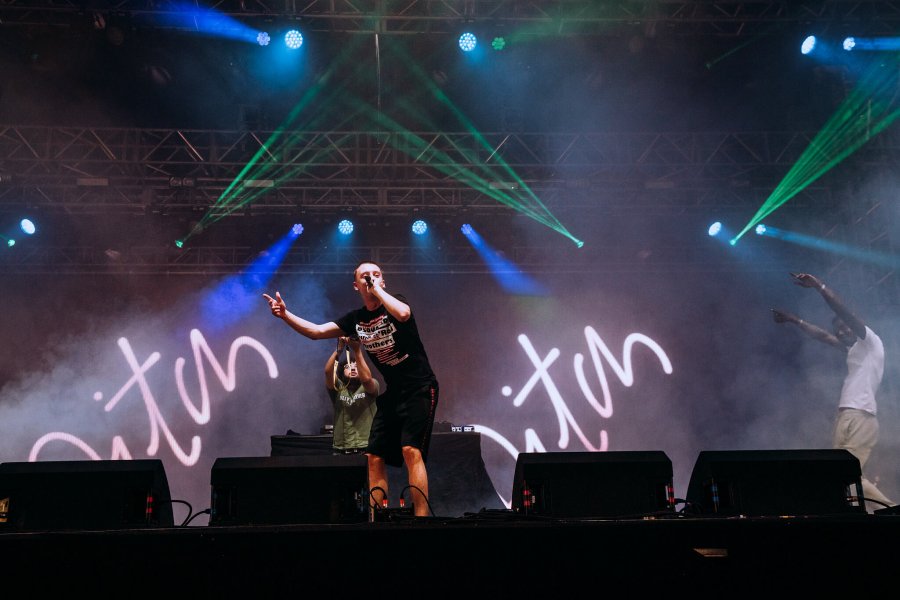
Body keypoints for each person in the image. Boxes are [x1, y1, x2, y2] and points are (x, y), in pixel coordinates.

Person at [263, 261, 439, 517]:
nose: (371, 278)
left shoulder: (396, 302)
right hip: (394, 391)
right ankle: (377, 516)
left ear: (383, 281)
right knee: (373, 456)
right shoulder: (356, 319)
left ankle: (421, 520)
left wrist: (378, 291)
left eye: (376, 275)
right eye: (365, 276)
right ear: (356, 285)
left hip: (420, 386)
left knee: (410, 450)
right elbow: (316, 331)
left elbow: (403, 315)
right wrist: (285, 315)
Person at [772, 272, 894, 511]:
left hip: (862, 416)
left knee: (847, 477)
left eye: (844, 327)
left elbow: (844, 311)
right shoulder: (853, 351)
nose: (841, 332)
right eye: (838, 330)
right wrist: (794, 320)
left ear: (856, 324)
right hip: (847, 417)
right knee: (838, 479)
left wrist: (819, 286)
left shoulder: (870, 342)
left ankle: (890, 511)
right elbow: (822, 335)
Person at [325, 335, 379, 455]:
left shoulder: (371, 384)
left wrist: (357, 349)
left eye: (356, 366)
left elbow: (366, 380)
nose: (353, 369)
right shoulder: (338, 388)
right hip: (341, 448)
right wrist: (339, 350)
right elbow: (328, 371)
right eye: (348, 366)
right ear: (342, 372)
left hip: (366, 446)